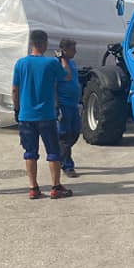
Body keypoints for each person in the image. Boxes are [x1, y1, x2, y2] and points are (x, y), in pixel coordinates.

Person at [12, 29, 73, 200]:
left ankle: (33, 187)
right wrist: (63, 59)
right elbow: (67, 76)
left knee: (30, 152)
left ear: (32, 43)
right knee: (53, 152)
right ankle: (55, 187)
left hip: (26, 115)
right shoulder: (51, 63)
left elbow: (15, 89)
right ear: (45, 43)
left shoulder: (20, 63)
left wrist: (17, 109)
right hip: (46, 115)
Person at [56, 38, 82, 179]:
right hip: (63, 104)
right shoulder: (58, 63)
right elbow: (65, 76)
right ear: (64, 50)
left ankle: (60, 154)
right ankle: (67, 165)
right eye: (73, 49)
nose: (75, 51)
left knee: (75, 132)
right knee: (65, 135)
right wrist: (56, 105)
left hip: (73, 104)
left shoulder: (72, 63)